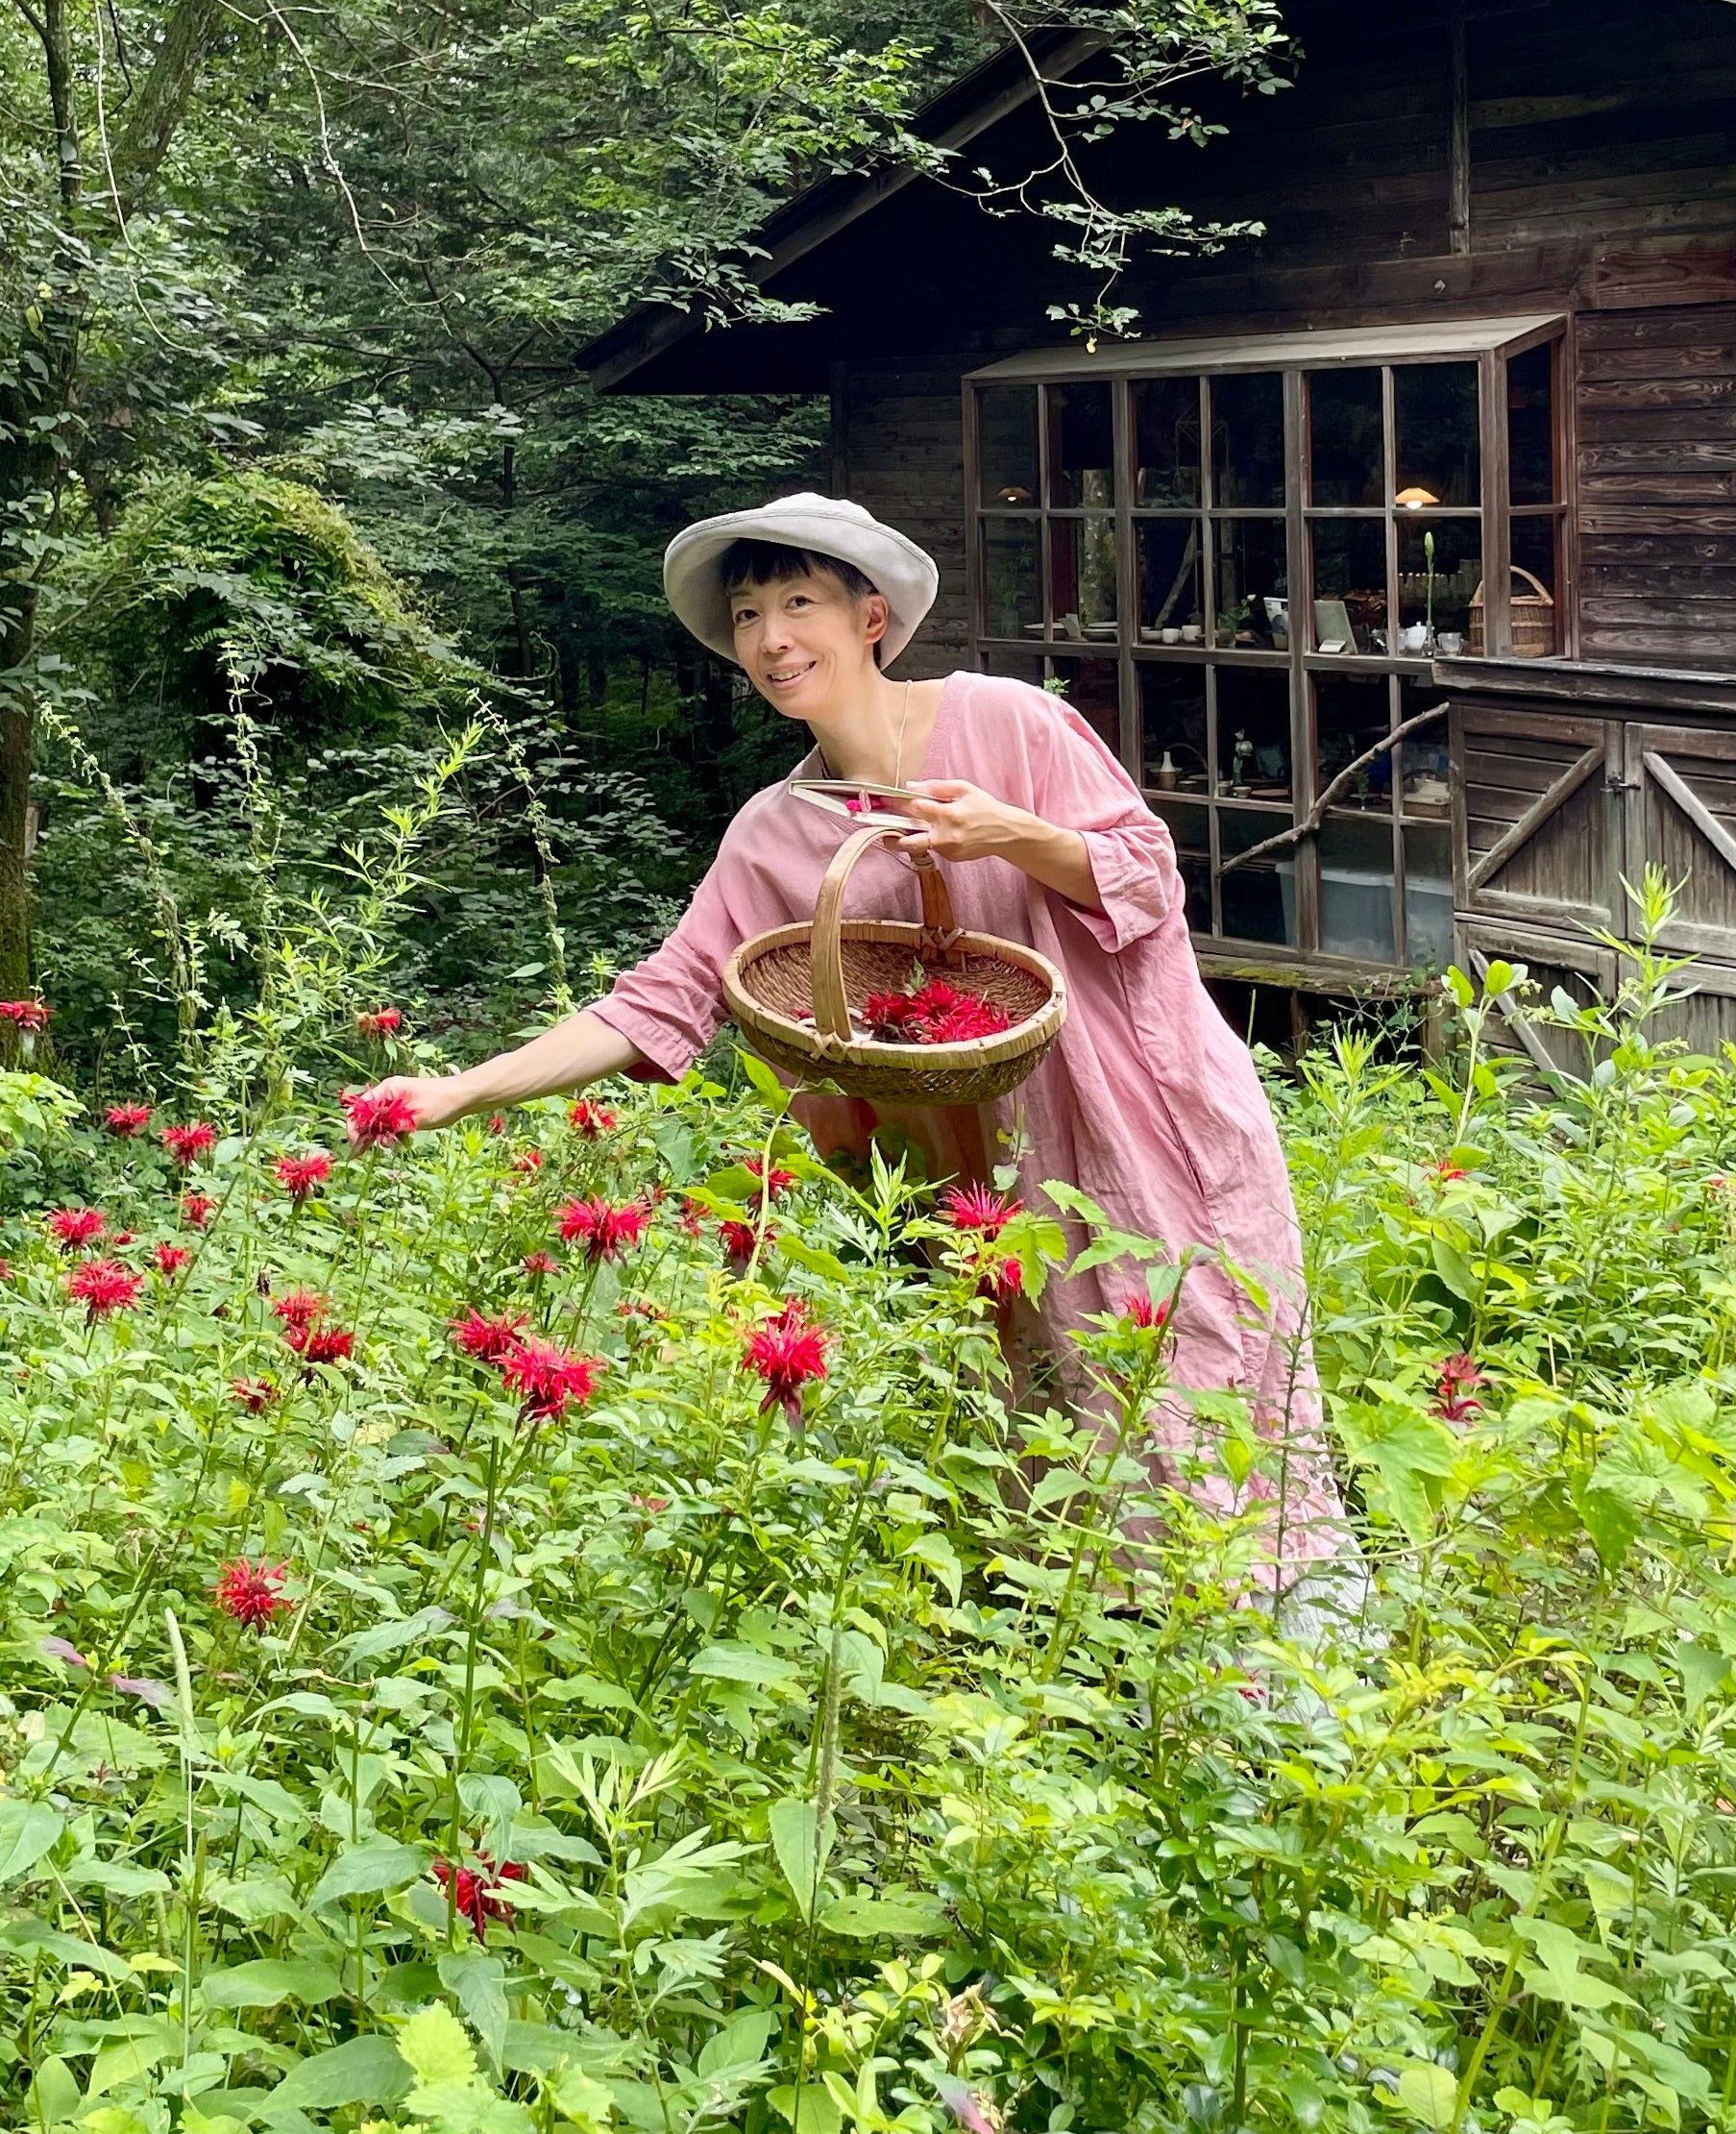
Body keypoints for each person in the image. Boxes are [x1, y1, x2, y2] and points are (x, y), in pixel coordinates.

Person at [368, 493, 1352, 1606]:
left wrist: (1008, 831)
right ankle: (1126, 1685)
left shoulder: (1006, 723)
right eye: (749, 615)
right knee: (1058, 1441)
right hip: (986, 1191)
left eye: (799, 603)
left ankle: (1289, 1667)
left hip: (1141, 1123)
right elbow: (662, 1000)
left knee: (1207, 1388)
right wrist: (458, 1090)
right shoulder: (777, 832)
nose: (771, 638)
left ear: (869, 617)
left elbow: (1146, 877)